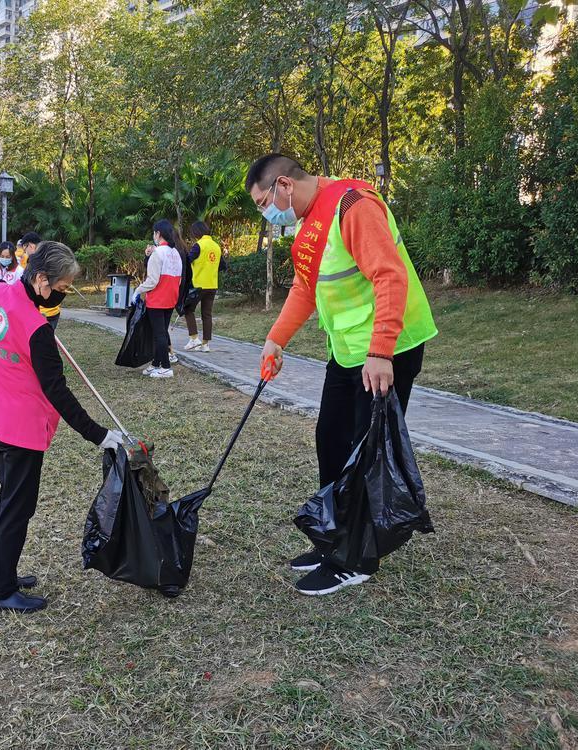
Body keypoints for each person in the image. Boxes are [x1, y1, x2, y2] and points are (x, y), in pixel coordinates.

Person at [246, 153, 438, 596]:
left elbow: (389, 277)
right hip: (348, 351)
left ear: (284, 186)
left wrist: (380, 351)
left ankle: (356, 557)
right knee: (330, 439)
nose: (266, 214)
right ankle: (336, 535)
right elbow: (304, 288)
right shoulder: (311, 221)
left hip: (386, 349)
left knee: (363, 453)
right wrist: (276, 340)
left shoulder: (353, 205)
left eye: (263, 203)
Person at [0, 241, 124, 612]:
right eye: (59, 289)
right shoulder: (36, 327)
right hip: (21, 430)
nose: (60, 296)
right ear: (40, 278)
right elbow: (58, 392)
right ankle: (3, 591)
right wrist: (100, 435)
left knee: (5, 501)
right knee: (16, 509)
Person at [133, 220, 184, 379]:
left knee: (159, 334)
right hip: (171, 298)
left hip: (157, 299)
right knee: (161, 332)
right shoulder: (175, 253)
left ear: (158, 234)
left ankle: (166, 368)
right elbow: (179, 278)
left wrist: (137, 290)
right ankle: (156, 363)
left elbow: (152, 280)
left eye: (154, 233)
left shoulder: (158, 253)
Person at [183, 221, 224, 353]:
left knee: (188, 309)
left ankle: (194, 338)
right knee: (207, 314)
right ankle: (205, 344)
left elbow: (187, 261)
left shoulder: (198, 245)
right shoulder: (216, 246)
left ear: (196, 233)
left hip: (198, 285)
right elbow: (223, 266)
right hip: (212, 284)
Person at [17, 231, 62, 329]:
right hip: (53, 310)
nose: (25, 253)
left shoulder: (36, 262)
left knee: (41, 342)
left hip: (43, 312)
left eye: (25, 249)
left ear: (31, 246)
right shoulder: (51, 256)